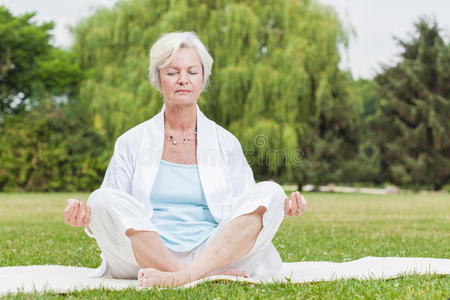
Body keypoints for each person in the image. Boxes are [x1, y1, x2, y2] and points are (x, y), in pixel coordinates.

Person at [63, 31, 308, 288]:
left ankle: (182, 276)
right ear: (157, 79)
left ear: (203, 80)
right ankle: (195, 275)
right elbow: (112, 211)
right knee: (99, 198)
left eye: (192, 72)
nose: (183, 80)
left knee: (270, 191)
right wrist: (86, 217)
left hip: (214, 251)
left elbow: (246, 210)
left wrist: (278, 208)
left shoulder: (225, 142)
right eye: (172, 72)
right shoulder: (131, 141)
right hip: (146, 254)